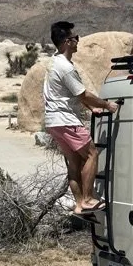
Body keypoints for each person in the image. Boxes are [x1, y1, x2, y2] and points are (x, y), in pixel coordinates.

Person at [44, 21, 118, 215]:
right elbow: (83, 94)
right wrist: (106, 105)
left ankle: (79, 204)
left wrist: (91, 108)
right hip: (66, 121)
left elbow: (73, 94)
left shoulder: (54, 62)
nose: (78, 41)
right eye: (75, 38)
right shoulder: (65, 67)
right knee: (92, 154)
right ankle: (87, 199)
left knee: (75, 162)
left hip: (54, 122)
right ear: (68, 42)